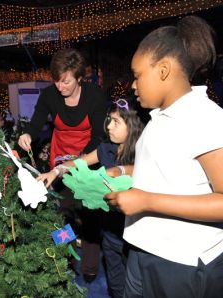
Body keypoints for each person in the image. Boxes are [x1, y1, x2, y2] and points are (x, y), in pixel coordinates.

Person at [105, 16, 223, 297]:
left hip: (181, 263)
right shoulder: (158, 119)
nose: (133, 85)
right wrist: (123, 172)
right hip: (143, 250)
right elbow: (166, 170)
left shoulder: (204, 117)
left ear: (164, 70)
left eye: (137, 75)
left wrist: (146, 201)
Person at [38, 98, 144, 297]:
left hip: (135, 235)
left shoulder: (144, 152)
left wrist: (120, 171)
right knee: (115, 283)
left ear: (132, 127)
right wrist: (56, 171)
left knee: (137, 287)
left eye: (116, 122)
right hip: (110, 232)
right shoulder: (105, 149)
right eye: (109, 120)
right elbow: (80, 162)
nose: (109, 127)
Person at [18, 48, 108, 281]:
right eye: (57, 81)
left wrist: (78, 161)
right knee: (61, 214)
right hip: (59, 160)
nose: (60, 86)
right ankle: (64, 259)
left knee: (90, 214)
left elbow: (99, 136)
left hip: (89, 161)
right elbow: (37, 121)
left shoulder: (95, 96)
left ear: (79, 77)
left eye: (66, 81)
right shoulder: (49, 95)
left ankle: (89, 266)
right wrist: (27, 134)